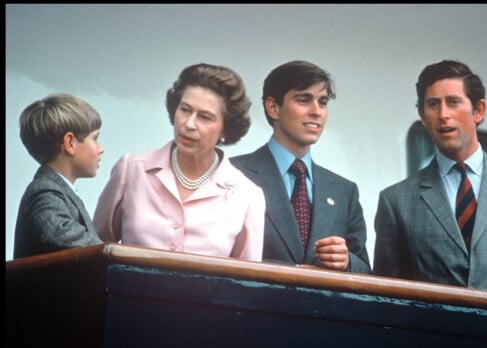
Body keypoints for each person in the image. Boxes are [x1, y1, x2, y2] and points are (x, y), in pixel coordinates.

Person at [373, 59, 487, 298]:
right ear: (422, 116)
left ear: (478, 110)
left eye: (453, 102)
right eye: (433, 104)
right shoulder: (396, 201)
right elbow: (389, 293)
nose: (443, 114)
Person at [93, 63, 265, 261]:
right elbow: (95, 249)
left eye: (205, 117)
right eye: (185, 110)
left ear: (226, 129)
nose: (189, 124)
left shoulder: (247, 196)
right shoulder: (131, 170)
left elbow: (246, 282)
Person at [231, 60, 371, 273]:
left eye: (322, 102)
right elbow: (220, 255)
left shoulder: (344, 191)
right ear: (273, 107)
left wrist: (346, 262)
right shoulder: (233, 174)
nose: (317, 111)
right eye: (304, 100)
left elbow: (367, 271)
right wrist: (294, 271)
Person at [14, 93, 105, 259]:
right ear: (70, 143)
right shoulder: (44, 192)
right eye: (95, 138)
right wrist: (112, 252)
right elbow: (60, 233)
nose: (101, 148)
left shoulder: (55, 190)